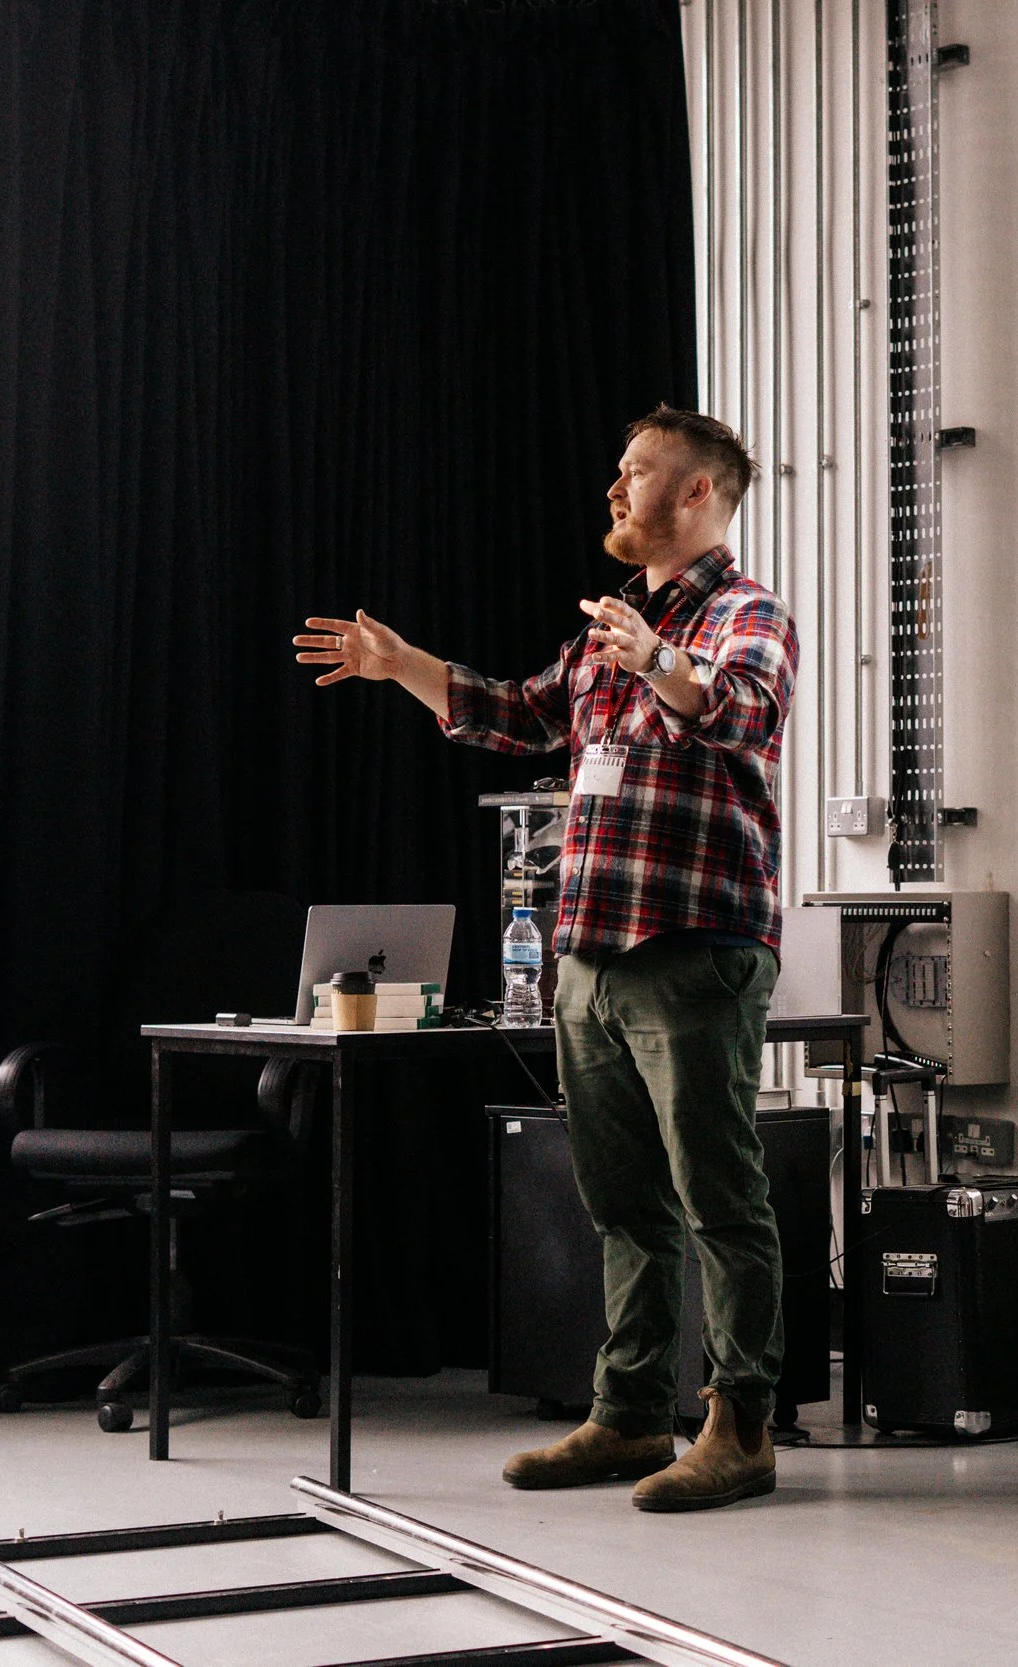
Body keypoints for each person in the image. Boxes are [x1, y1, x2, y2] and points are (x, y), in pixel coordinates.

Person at [293, 407, 798, 1512]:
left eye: (637, 472)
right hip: (591, 952)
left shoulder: (743, 615)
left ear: (697, 493)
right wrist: (399, 664)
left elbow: (740, 708)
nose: (614, 488)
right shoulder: (604, 634)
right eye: (618, 470)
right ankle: (625, 1414)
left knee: (719, 1196)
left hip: (693, 943)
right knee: (621, 1200)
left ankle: (743, 1423)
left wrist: (662, 657)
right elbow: (514, 713)